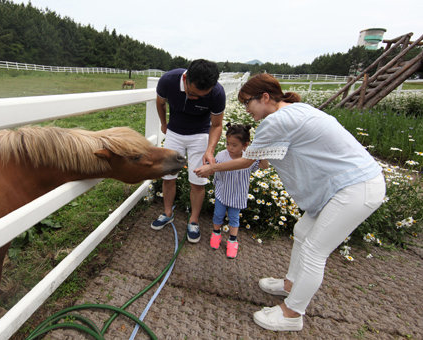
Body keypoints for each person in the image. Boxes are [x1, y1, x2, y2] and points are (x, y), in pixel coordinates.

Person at [194, 73, 385, 331]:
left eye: (247, 102)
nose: (247, 109)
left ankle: (292, 314)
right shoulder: (296, 110)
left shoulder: (278, 121)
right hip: (344, 186)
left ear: (264, 97)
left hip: (354, 187)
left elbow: (248, 160)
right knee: (302, 231)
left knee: (314, 251)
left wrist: (212, 169)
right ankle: (290, 285)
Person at [151, 59, 226, 243]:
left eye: (201, 96)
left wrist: (210, 149)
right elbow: (160, 103)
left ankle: (193, 221)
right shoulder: (168, 80)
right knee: (168, 176)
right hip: (174, 132)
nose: (194, 98)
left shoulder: (217, 93)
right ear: (186, 78)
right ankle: (168, 213)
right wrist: (163, 124)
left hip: (200, 135)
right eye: (192, 93)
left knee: (198, 180)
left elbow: (216, 125)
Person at [210, 123, 268, 259]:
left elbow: (264, 166)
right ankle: (216, 233)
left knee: (234, 218)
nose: (229, 148)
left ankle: (232, 241)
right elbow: (212, 167)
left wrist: (262, 152)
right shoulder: (222, 155)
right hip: (222, 192)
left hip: (237, 196)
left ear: (245, 145)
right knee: (218, 215)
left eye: (234, 145)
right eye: (228, 143)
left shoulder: (249, 159)